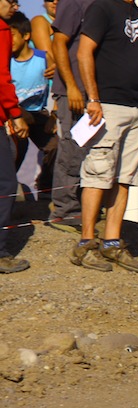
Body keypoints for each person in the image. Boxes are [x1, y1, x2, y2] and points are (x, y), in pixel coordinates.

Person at [71, 0, 138, 273]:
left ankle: (112, 242)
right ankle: (86, 243)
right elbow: (84, 52)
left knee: (125, 177)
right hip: (108, 104)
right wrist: (93, 98)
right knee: (98, 173)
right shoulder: (102, 8)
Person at [45, 0, 92, 234]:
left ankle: (86, 206)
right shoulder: (74, 3)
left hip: (96, 92)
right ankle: (64, 210)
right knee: (71, 149)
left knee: (91, 153)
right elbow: (59, 42)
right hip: (73, 91)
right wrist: (72, 86)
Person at [8, 11, 58, 201]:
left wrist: (54, 116)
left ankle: (45, 188)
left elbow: (59, 87)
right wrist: (19, 114)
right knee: (14, 151)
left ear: (26, 35)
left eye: (12, 35)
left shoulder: (43, 59)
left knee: (55, 147)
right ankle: (8, 189)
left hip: (38, 114)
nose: (8, 40)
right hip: (14, 115)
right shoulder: (6, 62)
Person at [0, 0, 30, 274]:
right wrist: (14, 113)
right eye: (10, 1)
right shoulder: (1, 30)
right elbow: (2, 77)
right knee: (6, 183)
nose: (16, 6)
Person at [30, 0, 57, 85]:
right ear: (44, 3)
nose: (55, 2)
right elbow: (50, 60)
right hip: (50, 84)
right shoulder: (39, 21)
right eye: (50, 0)